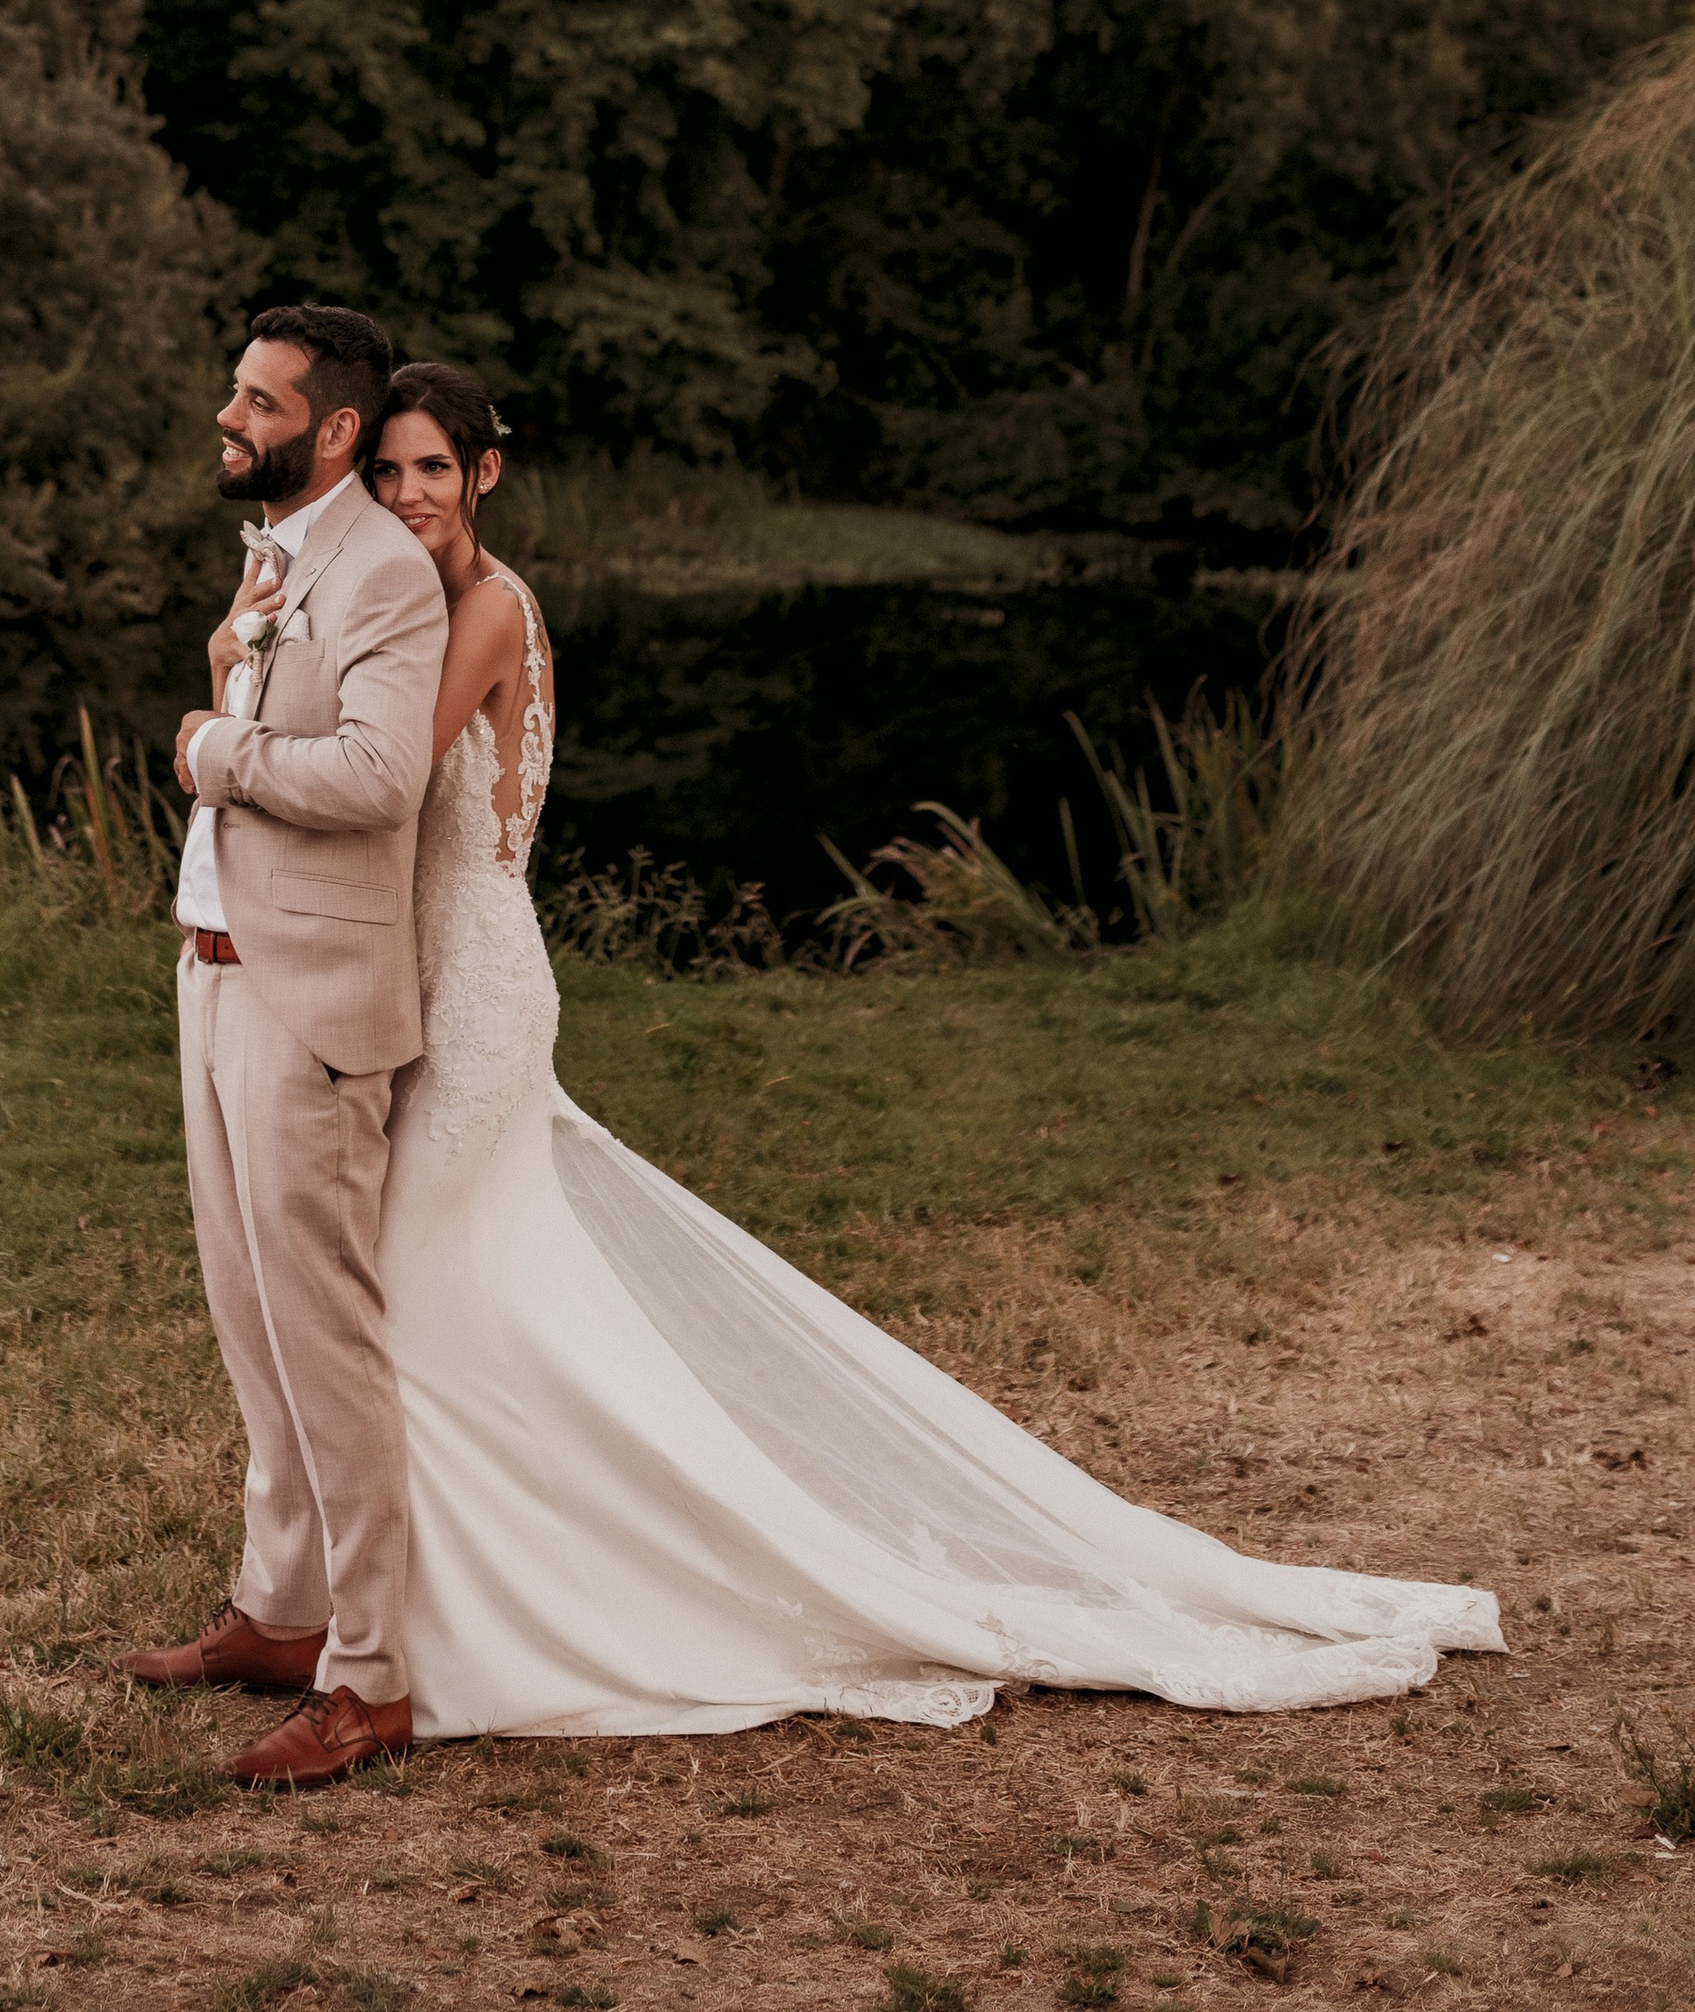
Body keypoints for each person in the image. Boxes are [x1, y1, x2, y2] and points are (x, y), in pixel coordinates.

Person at [363, 357, 1505, 1738]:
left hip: (480, 996)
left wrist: (236, 693)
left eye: (433, 467)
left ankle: (511, 1609)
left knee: (412, 1285)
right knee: (478, 1299)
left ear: (484, 472)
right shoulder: (420, 605)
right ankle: (491, 1585)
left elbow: (380, 780)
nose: (408, 492)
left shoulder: (487, 608)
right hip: (439, 983)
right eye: (387, 471)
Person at [123, 305, 448, 1788]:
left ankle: (368, 1680)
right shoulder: (280, 555)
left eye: (257, 401)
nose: (227, 416)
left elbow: (380, 778)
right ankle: (280, 1609)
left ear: (332, 429)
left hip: (308, 995)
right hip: (216, 972)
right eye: (233, 391)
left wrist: (211, 748)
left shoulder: (381, 572)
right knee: (248, 1313)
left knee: (326, 1338)